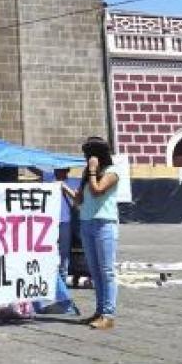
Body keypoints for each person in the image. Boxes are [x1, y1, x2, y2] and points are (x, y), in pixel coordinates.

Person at [73, 136, 120, 330]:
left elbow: (98, 190)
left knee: (106, 270)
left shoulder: (112, 172)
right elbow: (80, 200)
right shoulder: (88, 174)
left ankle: (108, 315)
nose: (87, 158)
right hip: (86, 223)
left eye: (90, 154)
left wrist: (92, 171)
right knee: (95, 272)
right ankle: (99, 311)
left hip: (104, 224)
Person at [54, 166, 76, 284]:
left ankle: (62, 279)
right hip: (50, 221)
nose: (56, 172)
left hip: (65, 221)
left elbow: (77, 201)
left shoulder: (73, 182)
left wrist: (64, 187)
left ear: (67, 171)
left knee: (64, 253)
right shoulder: (49, 180)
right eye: (56, 170)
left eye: (60, 170)